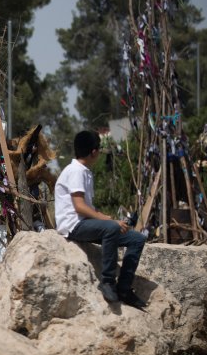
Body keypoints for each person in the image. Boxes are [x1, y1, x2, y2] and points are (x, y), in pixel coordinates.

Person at [55, 131, 148, 309]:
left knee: (137, 239)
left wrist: (110, 220)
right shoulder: (75, 171)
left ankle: (124, 288)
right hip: (74, 226)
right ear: (94, 152)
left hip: (86, 223)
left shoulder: (84, 172)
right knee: (111, 228)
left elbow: (88, 207)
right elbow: (79, 207)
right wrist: (109, 223)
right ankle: (107, 282)